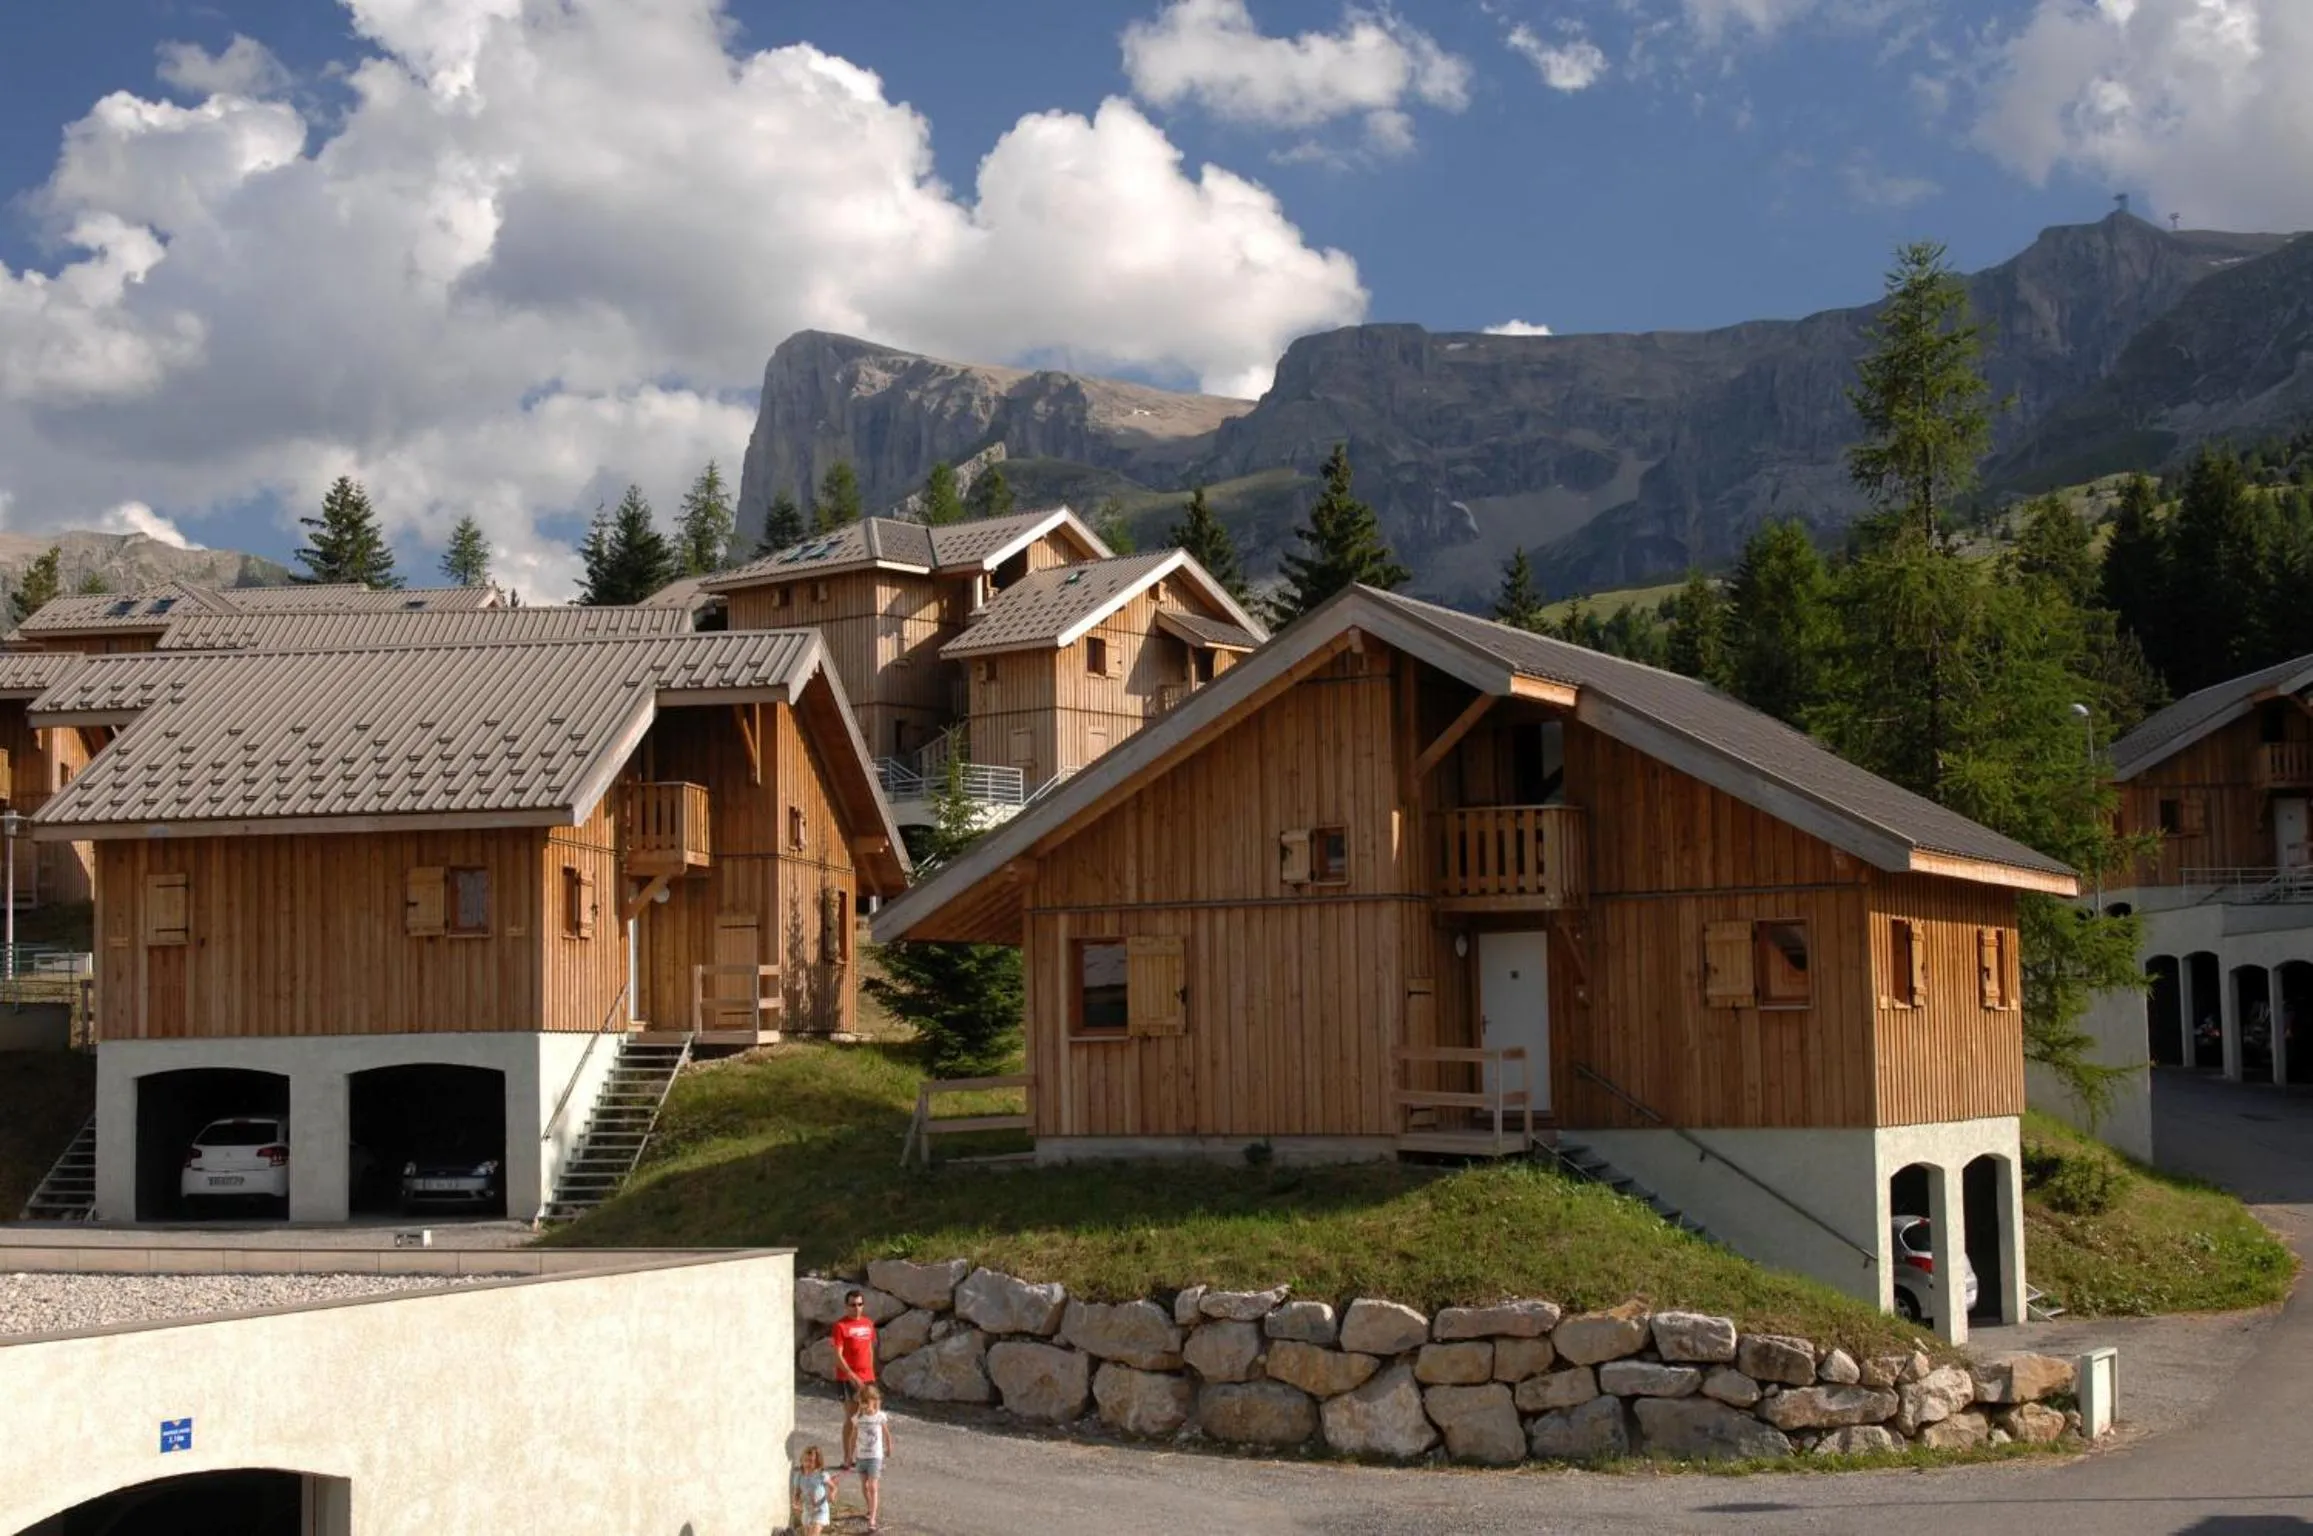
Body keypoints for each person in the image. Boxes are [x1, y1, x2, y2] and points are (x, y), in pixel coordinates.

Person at [830, 1289, 879, 1468]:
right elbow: (837, 1355)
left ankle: (863, 1456)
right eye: (852, 1305)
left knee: (867, 1417)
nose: (856, 1308)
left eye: (859, 1304)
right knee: (852, 1418)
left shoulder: (868, 1324)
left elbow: (870, 1349)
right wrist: (851, 1375)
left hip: (867, 1377)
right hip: (848, 1378)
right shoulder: (840, 1326)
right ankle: (847, 1457)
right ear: (846, 1306)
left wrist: (871, 1373)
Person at [852, 1384, 895, 1533]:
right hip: (861, 1456)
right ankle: (870, 1507)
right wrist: (850, 1454)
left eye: (867, 1401)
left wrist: (889, 1447)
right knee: (864, 1486)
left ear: (874, 1401)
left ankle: (872, 1519)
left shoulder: (879, 1416)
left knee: (873, 1486)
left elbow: (887, 1433)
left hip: (875, 1457)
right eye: (862, 1401)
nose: (864, 1405)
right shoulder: (858, 1418)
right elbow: (853, 1436)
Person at [789, 1444, 836, 1536]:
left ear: (817, 1462)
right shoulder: (799, 1476)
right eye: (805, 1460)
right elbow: (797, 1492)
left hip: (820, 1510)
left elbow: (833, 1487)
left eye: (811, 1461)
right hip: (807, 1510)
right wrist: (795, 1502)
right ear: (802, 1460)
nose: (807, 1464)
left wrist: (832, 1494)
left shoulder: (821, 1475)